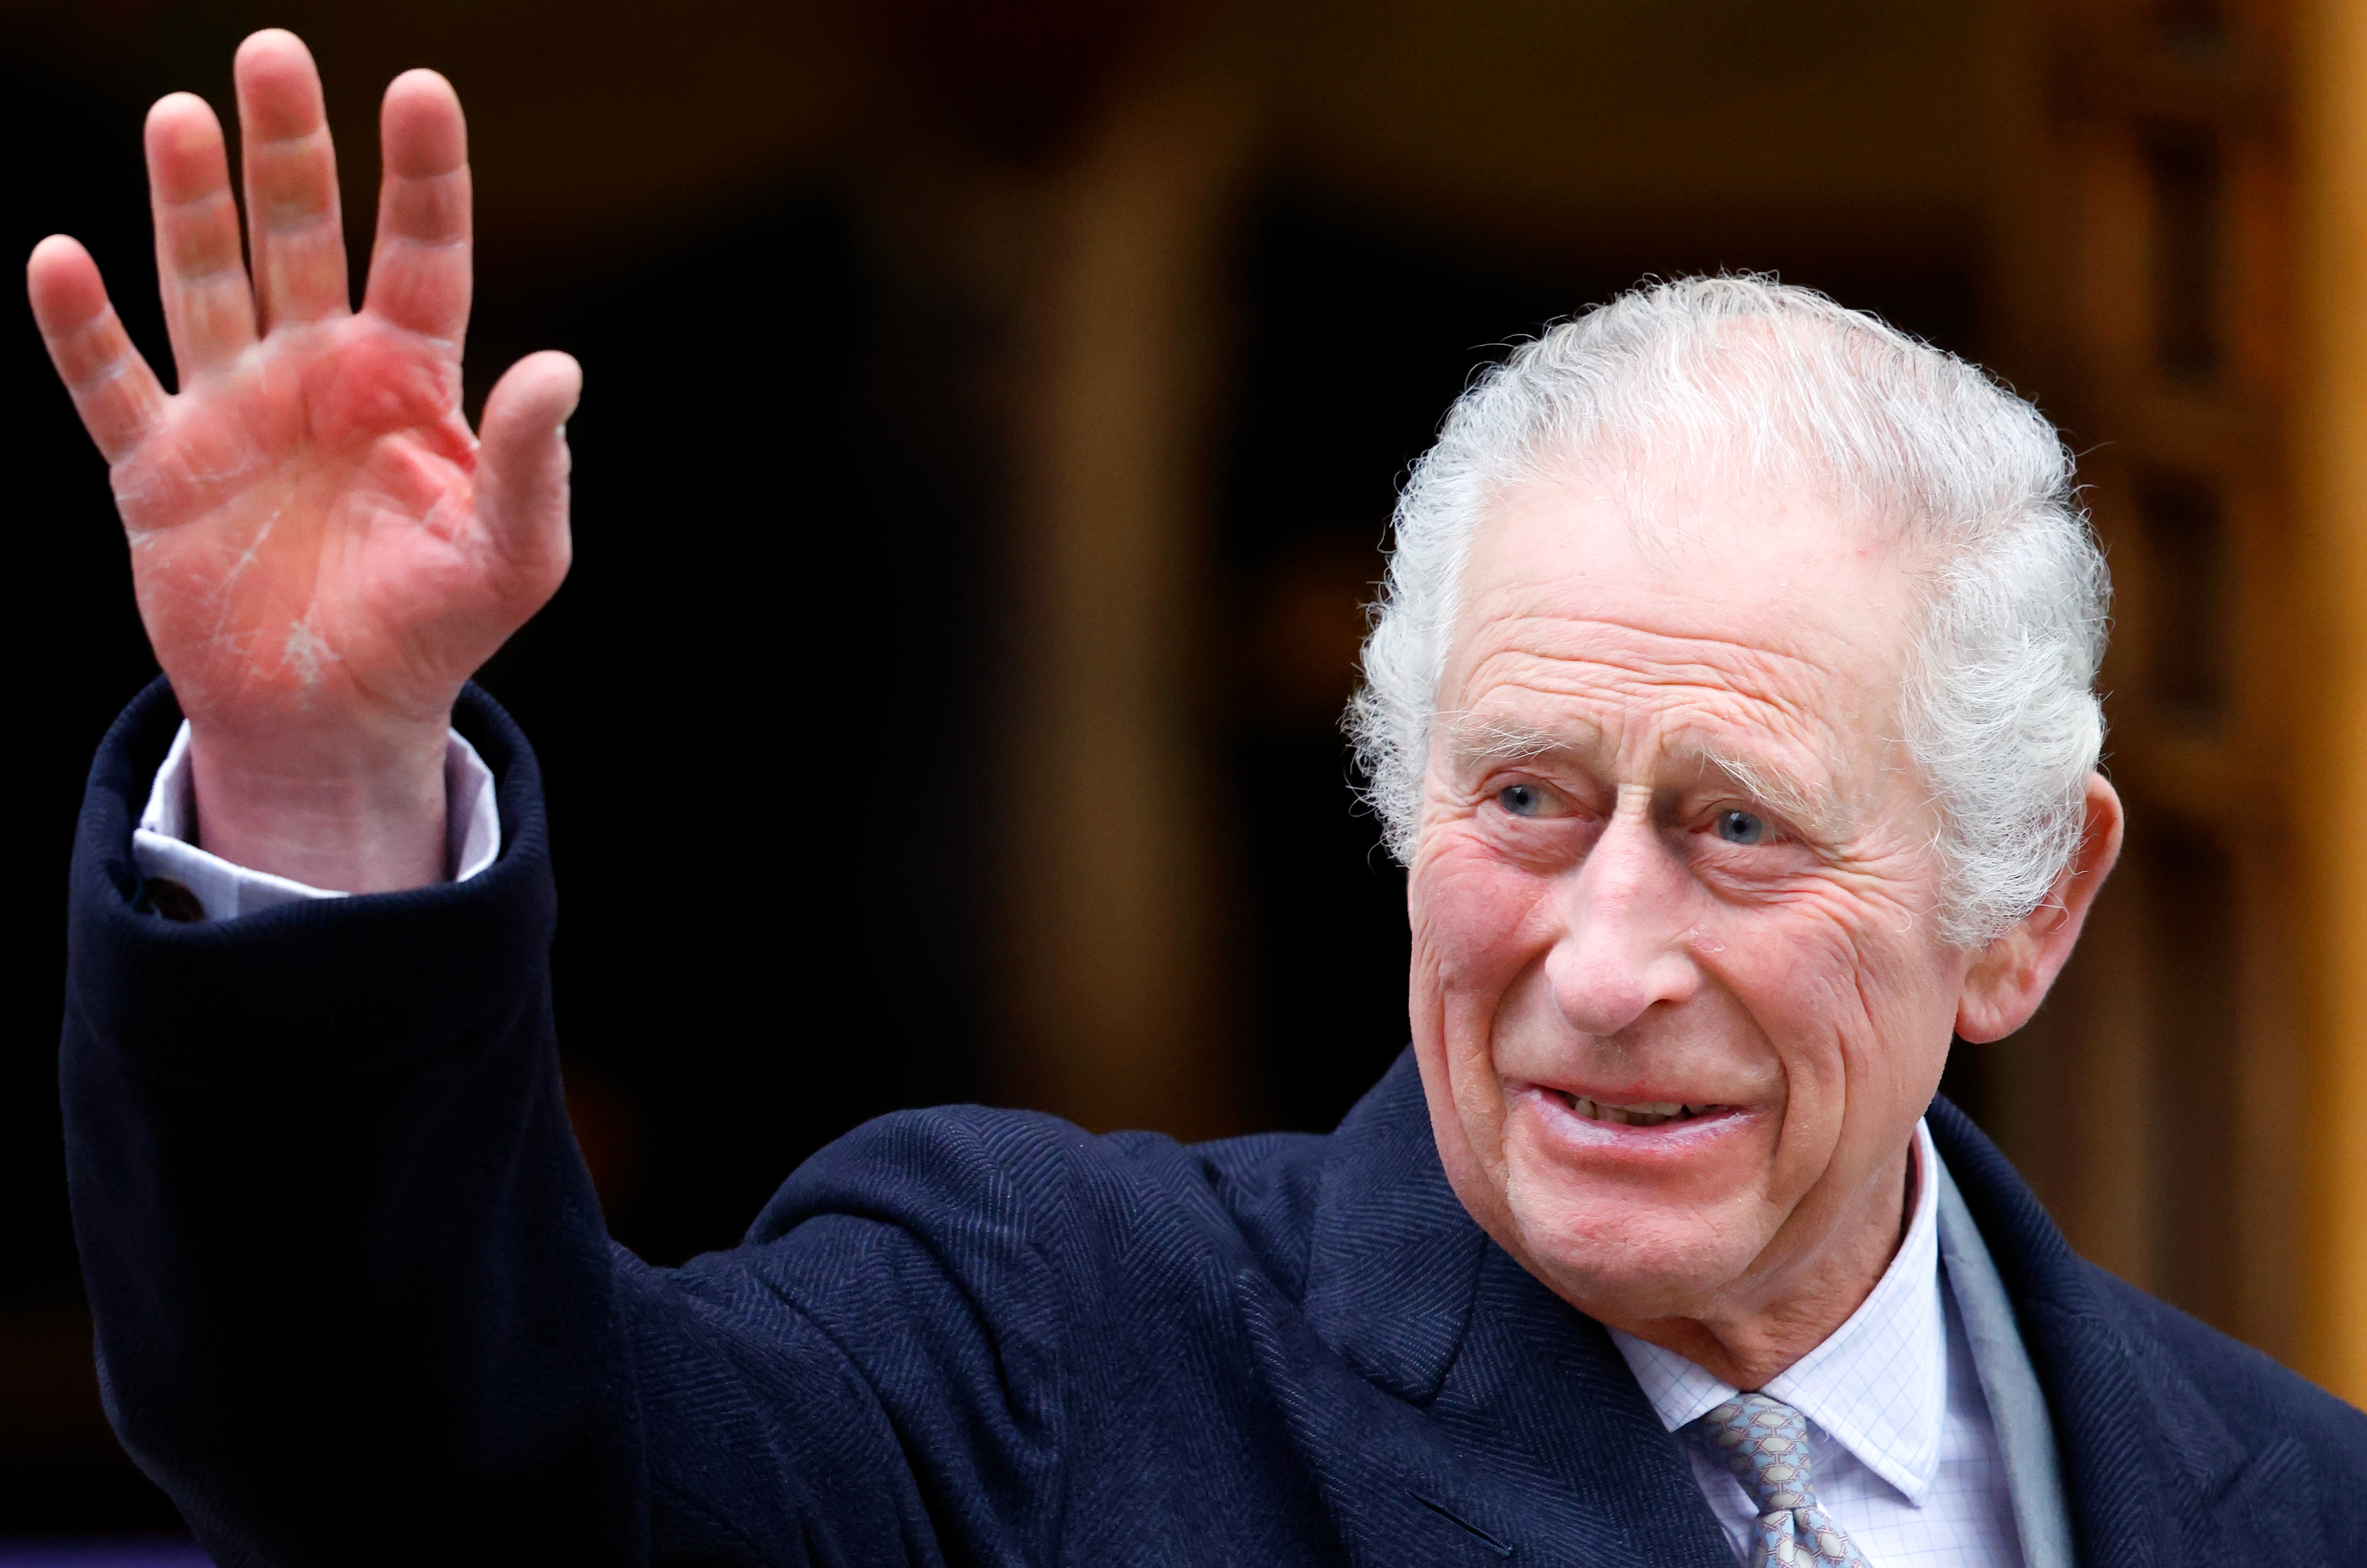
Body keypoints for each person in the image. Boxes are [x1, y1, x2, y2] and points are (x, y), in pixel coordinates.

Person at [31, 29, 2365, 1568]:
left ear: (2018, 907)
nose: (1609, 953)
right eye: (1528, 798)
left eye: (1742, 823)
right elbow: (426, 1473)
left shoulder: (2282, 1504)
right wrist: (319, 784)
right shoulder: (1043, 1357)